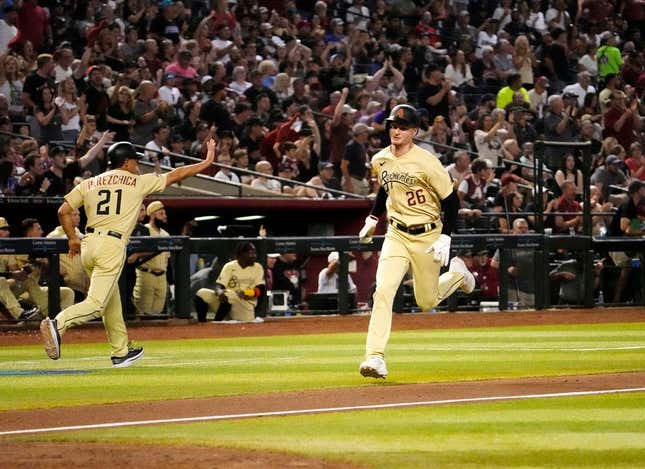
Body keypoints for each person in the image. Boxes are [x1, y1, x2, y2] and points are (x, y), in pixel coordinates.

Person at [39, 137, 217, 368]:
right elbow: (177, 174)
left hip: (89, 243)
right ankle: (58, 324)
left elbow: (63, 211)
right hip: (111, 245)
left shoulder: (89, 182)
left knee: (111, 301)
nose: (137, 165)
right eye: (135, 161)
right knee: (96, 303)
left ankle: (120, 352)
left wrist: (72, 238)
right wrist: (208, 160)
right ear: (125, 162)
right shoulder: (136, 181)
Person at [357, 105, 475, 379]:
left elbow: (451, 201)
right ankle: (375, 357)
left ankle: (457, 274)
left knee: (426, 301)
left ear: (414, 131)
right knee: (383, 291)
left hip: (427, 235)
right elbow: (386, 188)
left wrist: (446, 235)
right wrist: (374, 217)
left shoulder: (427, 161)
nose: (396, 130)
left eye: (403, 127)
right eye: (393, 126)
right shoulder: (380, 158)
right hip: (396, 233)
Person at [195, 242, 265, 323]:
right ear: (241, 254)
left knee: (229, 294)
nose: (254, 256)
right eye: (250, 253)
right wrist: (219, 292)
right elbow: (219, 286)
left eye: (254, 253)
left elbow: (261, 289)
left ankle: (217, 322)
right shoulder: (229, 266)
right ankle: (202, 323)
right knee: (202, 293)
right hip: (225, 304)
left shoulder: (257, 267)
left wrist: (246, 292)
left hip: (244, 306)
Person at [133, 201, 171, 315]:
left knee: (157, 313)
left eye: (164, 213)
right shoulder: (145, 230)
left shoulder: (166, 234)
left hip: (162, 277)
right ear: (153, 215)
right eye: (161, 213)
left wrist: (171, 283)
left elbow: (167, 260)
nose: (165, 216)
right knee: (143, 312)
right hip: (146, 274)